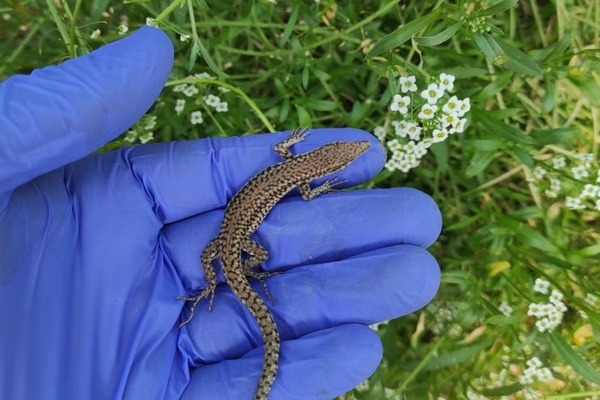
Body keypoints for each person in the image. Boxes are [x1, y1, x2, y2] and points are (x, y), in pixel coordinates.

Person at [0, 26, 442, 399]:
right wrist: (320, 188)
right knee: (255, 264)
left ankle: (208, 292)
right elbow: (305, 196)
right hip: (234, 242)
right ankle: (221, 293)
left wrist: (217, 280)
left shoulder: (293, 165)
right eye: (340, 158)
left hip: (227, 240)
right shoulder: (304, 179)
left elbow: (282, 149)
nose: (346, 155)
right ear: (328, 158)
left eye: (341, 158)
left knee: (229, 266)